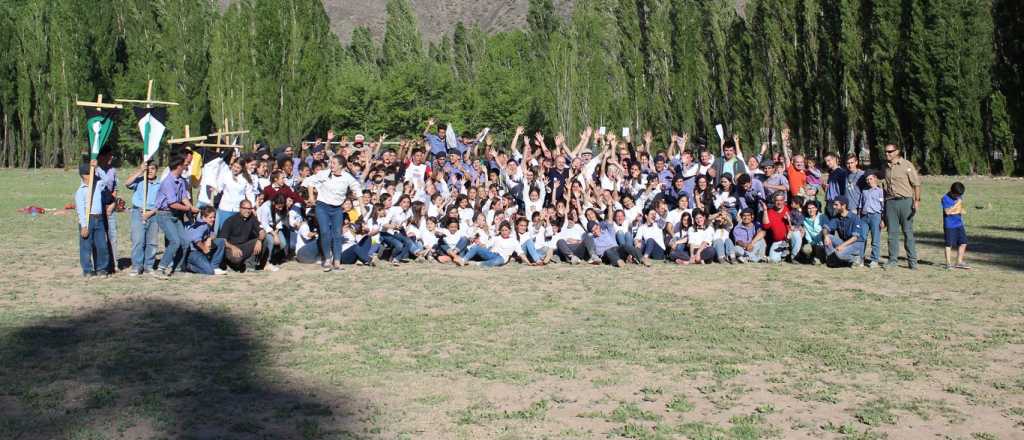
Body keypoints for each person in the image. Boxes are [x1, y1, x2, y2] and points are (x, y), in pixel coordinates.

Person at [302, 154, 363, 272]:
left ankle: (337, 262)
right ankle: (327, 259)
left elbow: (358, 190)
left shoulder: (348, 177)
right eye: (331, 162)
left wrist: (362, 207)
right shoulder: (324, 173)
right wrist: (311, 197)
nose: (331, 165)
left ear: (341, 165)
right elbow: (310, 182)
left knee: (337, 234)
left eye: (334, 163)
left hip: (337, 209)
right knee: (325, 232)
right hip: (322, 206)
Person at [153, 155, 198, 278]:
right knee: (175, 241)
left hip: (176, 215)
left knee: (185, 241)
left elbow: (184, 198)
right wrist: (188, 208)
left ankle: (176, 268)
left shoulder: (181, 181)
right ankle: (161, 269)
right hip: (164, 214)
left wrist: (191, 208)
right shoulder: (168, 182)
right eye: (185, 164)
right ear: (179, 166)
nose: (186, 166)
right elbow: (172, 204)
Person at [882, 144, 922, 269]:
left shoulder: (907, 165)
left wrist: (916, 201)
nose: (887, 153)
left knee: (907, 232)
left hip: (906, 202)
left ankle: (912, 261)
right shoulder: (886, 167)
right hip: (890, 202)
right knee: (892, 233)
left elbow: (916, 184)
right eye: (886, 151)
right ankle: (893, 260)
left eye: (890, 151)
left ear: (897, 151)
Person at [75, 162, 113, 277]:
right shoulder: (80, 191)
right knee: (86, 247)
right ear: (84, 176)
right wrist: (84, 226)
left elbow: (108, 181)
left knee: (102, 245)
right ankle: (87, 270)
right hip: (87, 219)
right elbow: (80, 210)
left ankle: (102, 268)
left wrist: (98, 167)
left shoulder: (98, 185)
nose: (93, 175)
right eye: (90, 173)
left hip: (99, 218)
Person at [125, 161, 161, 275]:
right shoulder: (140, 180)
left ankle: (149, 265)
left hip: (154, 214)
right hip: (138, 212)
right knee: (138, 240)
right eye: (148, 168)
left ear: (156, 170)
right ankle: (137, 266)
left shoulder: (160, 184)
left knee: (152, 242)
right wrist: (140, 171)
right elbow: (127, 183)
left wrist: (151, 212)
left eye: (153, 168)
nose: (150, 171)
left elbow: (162, 202)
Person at [218, 199, 268, 272]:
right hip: (231, 248)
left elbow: (262, 231)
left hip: (244, 246)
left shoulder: (252, 218)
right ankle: (230, 265)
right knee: (237, 259)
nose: (248, 211)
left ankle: (249, 266)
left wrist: (259, 241)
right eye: (245, 208)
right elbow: (222, 240)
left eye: (250, 209)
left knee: (264, 240)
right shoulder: (230, 220)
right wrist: (232, 247)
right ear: (240, 208)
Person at [821, 195, 866, 267]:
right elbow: (826, 228)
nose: (834, 206)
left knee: (839, 254)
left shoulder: (855, 218)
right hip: (846, 242)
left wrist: (842, 246)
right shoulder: (836, 217)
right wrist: (826, 236)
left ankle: (856, 259)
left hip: (856, 244)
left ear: (844, 205)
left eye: (836, 205)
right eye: (834, 204)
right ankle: (832, 260)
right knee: (827, 236)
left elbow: (855, 238)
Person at [185, 207, 227, 275]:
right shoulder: (202, 226)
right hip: (193, 253)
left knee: (221, 241)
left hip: (200, 251)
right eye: (210, 217)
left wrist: (209, 239)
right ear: (203, 217)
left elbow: (213, 235)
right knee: (209, 272)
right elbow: (196, 240)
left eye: (214, 217)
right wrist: (204, 248)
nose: (213, 219)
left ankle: (214, 266)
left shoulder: (207, 224)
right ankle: (189, 267)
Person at [762, 191, 801, 263]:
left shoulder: (789, 209)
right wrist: (765, 210)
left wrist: (797, 227)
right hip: (779, 241)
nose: (779, 202)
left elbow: (799, 219)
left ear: (784, 201)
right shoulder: (770, 212)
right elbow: (766, 226)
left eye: (781, 200)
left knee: (797, 234)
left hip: (790, 237)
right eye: (777, 200)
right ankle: (785, 255)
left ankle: (794, 257)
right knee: (773, 259)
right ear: (774, 201)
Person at [858, 172, 885, 267]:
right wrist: (859, 216)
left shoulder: (880, 191)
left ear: (875, 179)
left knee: (875, 239)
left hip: (875, 216)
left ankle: (874, 259)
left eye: (871, 179)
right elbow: (861, 204)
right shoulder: (864, 190)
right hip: (864, 217)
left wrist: (882, 220)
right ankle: (860, 258)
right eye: (867, 180)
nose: (869, 181)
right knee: (862, 238)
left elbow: (883, 207)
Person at [941, 181, 969, 270]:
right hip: (949, 225)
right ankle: (948, 264)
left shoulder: (959, 196)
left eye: (959, 195)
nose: (958, 197)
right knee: (949, 244)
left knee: (963, 243)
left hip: (959, 224)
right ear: (952, 191)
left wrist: (960, 209)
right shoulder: (945, 198)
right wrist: (956, 205)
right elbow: (947, 212)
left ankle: (959, 262)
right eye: (956, 195)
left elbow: (962, 210)